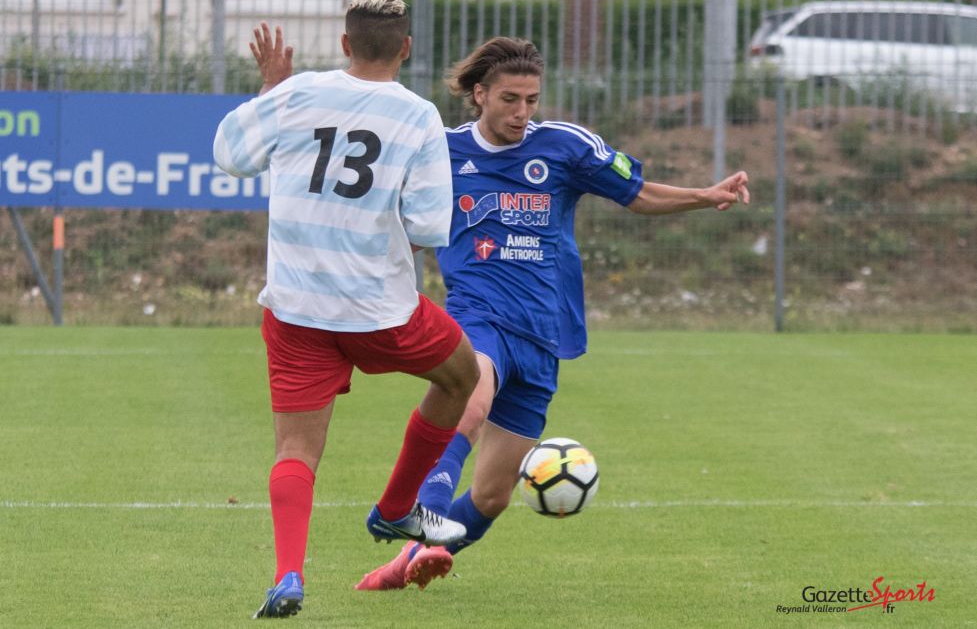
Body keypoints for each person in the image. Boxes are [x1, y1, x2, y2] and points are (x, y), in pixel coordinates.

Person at [253, 33, 750, 593]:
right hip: (477, 315)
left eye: (531, 100)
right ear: (480, 94)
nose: (522, 112)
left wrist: (706, 195)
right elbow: (375, 202)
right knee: (471, 393)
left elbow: (636, 193)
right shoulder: (440, 148)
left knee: (492, 496)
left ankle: (410, 559)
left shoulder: (564, 147)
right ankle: (422, 511)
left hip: (543, 333)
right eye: (510, 99)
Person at [213, 0, 480, 619]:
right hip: (380, 309)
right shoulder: (417, 116)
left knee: (296, 451)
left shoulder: (296, 93)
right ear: (406, 48)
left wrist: (272, 89)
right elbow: (427, 226)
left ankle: (288, 576)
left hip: (296, 310)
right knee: (462, 376)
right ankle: (395, 510)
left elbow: (230, 156)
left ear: (343, 43)